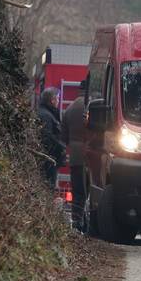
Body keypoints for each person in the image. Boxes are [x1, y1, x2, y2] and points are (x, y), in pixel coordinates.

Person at [61, 95, 86, 230]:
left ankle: (76, 221)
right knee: (90, 189)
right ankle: (89, 222)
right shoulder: (91, 107)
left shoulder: (69, 109)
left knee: (77, 191)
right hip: (91, 155)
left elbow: (63, 136)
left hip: (75, 157)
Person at [37, 87, 66, 188]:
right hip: (48, 159)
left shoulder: (47, 113)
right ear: (52, 100)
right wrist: (61, 147)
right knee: (48, 186)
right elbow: (47, 136)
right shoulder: (46, 115)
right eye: (57, 98)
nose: (58, 101)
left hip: (49, 158)